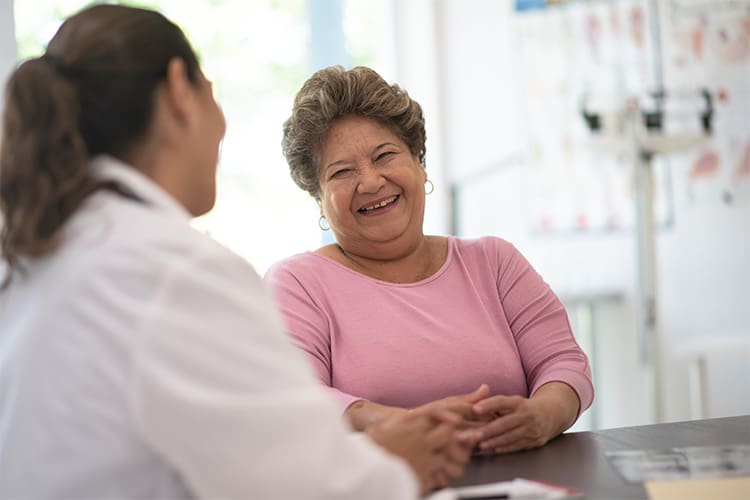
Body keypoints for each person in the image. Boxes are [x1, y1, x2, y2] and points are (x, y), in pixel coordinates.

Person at [0, 6, 478, 498]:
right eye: (213, 93)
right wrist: (397, 464)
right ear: (179, 92)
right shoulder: (172, 270)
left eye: (385, 156)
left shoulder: (39, 254)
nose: (223, 128)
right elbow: (301, 484)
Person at [266, 65, 595, 455]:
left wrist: (543, 415)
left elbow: (564, 362)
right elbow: (295, 397)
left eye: (384, 155)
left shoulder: (494, 262)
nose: (370, 182)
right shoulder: (297, 283)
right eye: (342, 172)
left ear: (419, 163)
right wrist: (396, 425)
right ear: (318, 197)